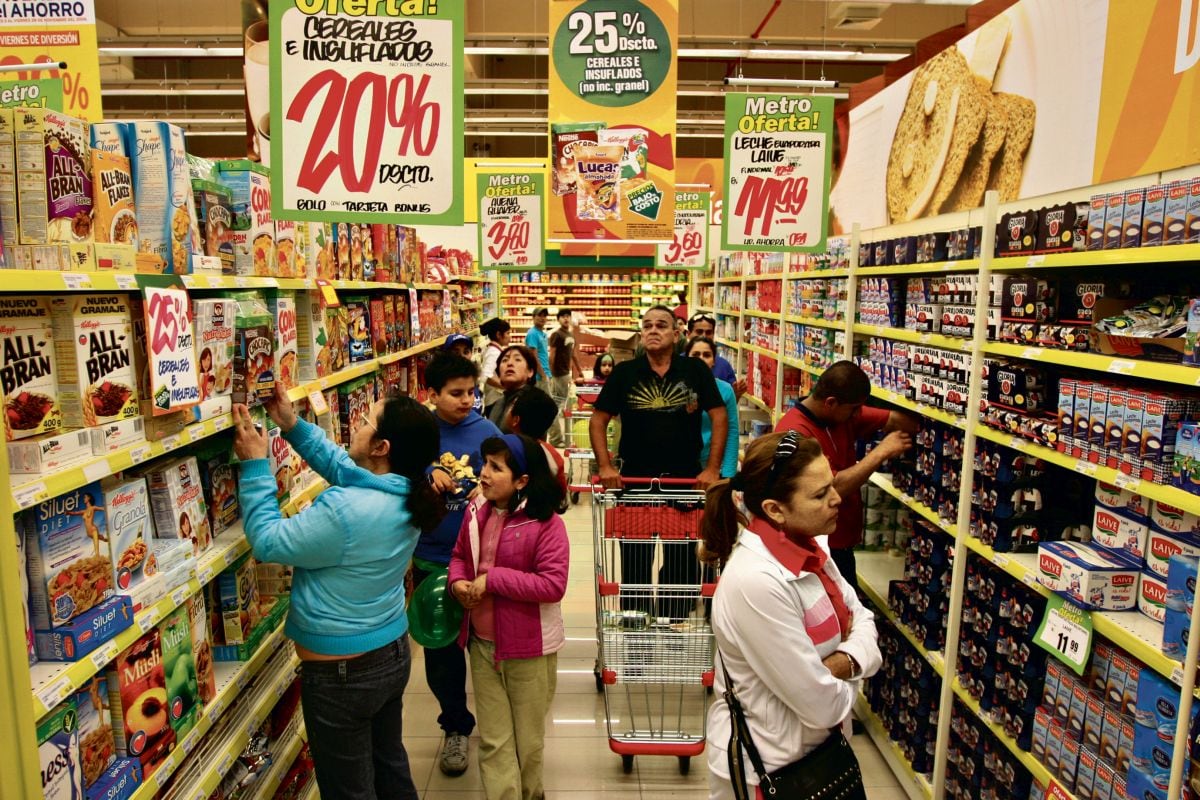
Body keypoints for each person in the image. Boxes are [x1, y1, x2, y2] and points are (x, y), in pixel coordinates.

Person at [231, 385, 444, 800]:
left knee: (349, 790)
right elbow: (346, 467)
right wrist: (291, 424)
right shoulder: (406, 490)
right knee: (388, 766)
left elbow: (270, 542)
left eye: (365, 422)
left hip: (343, 675)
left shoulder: (347, 510)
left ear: (382, 446)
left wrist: (256, 468)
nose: (357, 424)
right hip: (389, 653)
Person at [700, 432, 881, 800]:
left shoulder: (811, 547)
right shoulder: (756, 582)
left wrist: (836, 666)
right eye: (819, 495)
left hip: (818, 756)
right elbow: (821, 706)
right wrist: (855, 665)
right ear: (774, 509)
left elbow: (863, 618)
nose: (836, 499)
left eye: (831, 485)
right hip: (770, 768)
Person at [448, 433, 568, 800]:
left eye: (496, 468)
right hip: (483, 645)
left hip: (529, 649)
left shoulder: (546, 524)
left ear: (522, 481)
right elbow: (457, 558)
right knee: (494, 739)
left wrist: (493, 580)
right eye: (485, 464)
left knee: (529, 741)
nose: (484, 474)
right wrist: (458, 585)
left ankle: (532, 793)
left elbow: (553, 585)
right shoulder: (474, 512)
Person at [590, 305, 728, 619]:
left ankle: (673, 625)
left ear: (677, 334)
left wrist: (712, 469)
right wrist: (607, 467)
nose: (653, 330)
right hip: (635, 483)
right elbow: (598, 421)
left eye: (661, 325)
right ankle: (637, 626)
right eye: (648, 325)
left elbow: (720, 417)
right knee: (635, 561)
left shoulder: (694, 371)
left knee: (681, 563)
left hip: (684, 483)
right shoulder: (625, 373)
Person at [416, 352, 503, 776]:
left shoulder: (486, 430)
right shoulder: (418, 433)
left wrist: (489, 489)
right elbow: (396, 477)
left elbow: (508, 479)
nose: (467, 399)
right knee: (443, 649)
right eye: (455, 393)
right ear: (431, 395)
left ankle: (499, 723)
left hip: (481, 558)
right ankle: (454, 726)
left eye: (471, 391)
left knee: (487, 646)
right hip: (432, 558)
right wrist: (426, 472)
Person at [774, 360, 916, 590]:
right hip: (815, 546)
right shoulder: (795, 433)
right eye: (854, 409)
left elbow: (894, 419)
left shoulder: (841, 414)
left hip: (841, 543)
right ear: (831, 402)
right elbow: (832, 488)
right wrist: (881, 452)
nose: (858, 414)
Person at [683, 337, 740, 479]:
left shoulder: (725, 390)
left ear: (714, 361)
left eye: (706, 355)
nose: (701, 359)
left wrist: (727, 475)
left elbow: (732, 432)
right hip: (681, 467)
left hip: (713, 467)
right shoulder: (675, 388)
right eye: (695, 355)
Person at [504, 385, 569, 499]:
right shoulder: (552, 454)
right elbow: (561, 493)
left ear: (516, 420)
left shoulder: (503, 448)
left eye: (511, 406)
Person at [686, 312, 746, 396]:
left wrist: (736, 395)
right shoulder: (676, 364)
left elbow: (728, 403)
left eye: (708, 332)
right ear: (688, 334)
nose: (703, 336)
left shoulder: (724, 366)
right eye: (699, 332)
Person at [547, 308, 582, 448]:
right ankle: (555, 437)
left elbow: (573, 354)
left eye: (568, 316)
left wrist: (579, 371)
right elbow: (552, 354)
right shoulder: (556, 335)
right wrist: (550, 373)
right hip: (557, 374)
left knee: (562, 401)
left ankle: (557, 433)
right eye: (563, 316)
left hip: (565, 373)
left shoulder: (570, 334)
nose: (566, 319)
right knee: (557, 403)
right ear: (558, 319)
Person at [485, 345, 538, 432]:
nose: (509, 363)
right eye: (505, 360)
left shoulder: (535, 404)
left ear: (530, 372)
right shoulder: (498, 403)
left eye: (517, 359)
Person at [444, 333, 483, 413]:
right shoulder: (443, 383)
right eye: (456, 353)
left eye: (466, 352)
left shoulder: (473, 378)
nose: (462, 356)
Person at [479, 318, 511, 409]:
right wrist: (507, 387)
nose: (510, 337)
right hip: (494, 401)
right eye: (508, 333)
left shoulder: (494, 350)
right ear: (498, 335)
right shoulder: (493, 352)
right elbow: (487, 376)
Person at [523, 307, 551, 384]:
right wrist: (543, 375)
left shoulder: (542, 334)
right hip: (538, 376)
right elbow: (533, 357)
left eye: (544, 316)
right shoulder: (533, 333)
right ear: (533, 317)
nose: (542, 318)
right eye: (539, 315)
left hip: (544, 373)